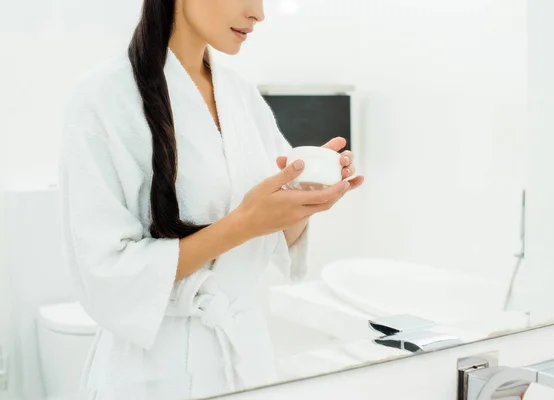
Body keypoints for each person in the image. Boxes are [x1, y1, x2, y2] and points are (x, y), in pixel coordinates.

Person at [58, 0, 363, 398]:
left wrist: (303, 200)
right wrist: (245, 222)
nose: (259, 14)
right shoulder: (103, 98)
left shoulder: (241, 95)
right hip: (154, 369)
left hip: (246, 358)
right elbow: (108, 274)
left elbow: (274, 240)